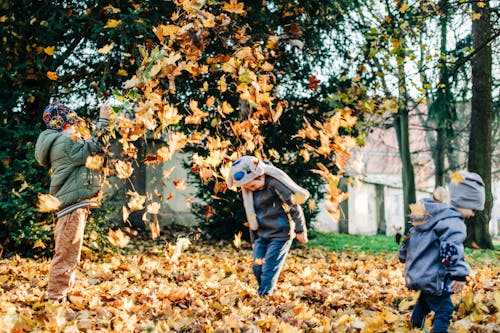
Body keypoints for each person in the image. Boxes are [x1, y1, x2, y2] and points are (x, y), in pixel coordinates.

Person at [35, 101, 111, 303]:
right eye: (73, 122)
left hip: (73, 206)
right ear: (64, 124)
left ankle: (61, 295)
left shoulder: (64, 141)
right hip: (71, 208)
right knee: (67, 254)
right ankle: (55, 298)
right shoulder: (64, 143)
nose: (77, 126)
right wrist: (103, 120)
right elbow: (95, 147)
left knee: (70, 252)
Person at [399, 171, 485, 333]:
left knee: (425, 302)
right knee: (444, 310)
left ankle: (414, 328)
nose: (473, 214)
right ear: (463, 201)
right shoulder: (453, 222)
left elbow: (410, 236)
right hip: (434, 276)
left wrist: (403, 255)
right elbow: (450, 249)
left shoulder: (430, 215)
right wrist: (458, 274)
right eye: (473, 209)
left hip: (419, 273)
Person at [227, 156, 310, 297]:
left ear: (262, 175)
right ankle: (267, 291)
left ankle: (264, 295)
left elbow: (293, 206)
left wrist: (300, 230)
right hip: (261, 235)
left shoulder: (274, 184)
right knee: (257, 267)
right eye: (248, 188)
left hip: (280, 234)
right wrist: (254, 241)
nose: (251, 190)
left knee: (269, 267)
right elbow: (251, 216)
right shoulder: (249, 192)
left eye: (253, 186)